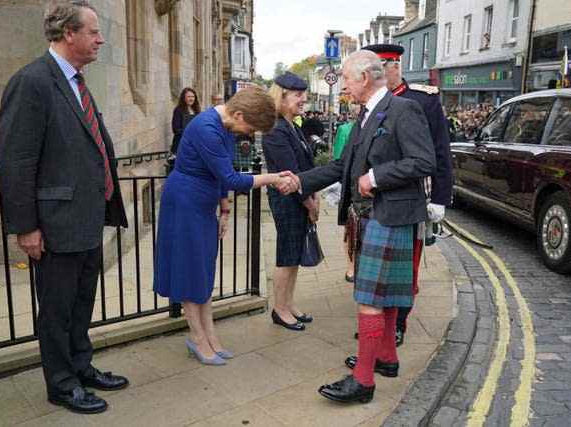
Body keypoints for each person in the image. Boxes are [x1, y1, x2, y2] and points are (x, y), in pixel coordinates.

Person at [280, 50, 435, 404]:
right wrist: (298, 181)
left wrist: (376, 177)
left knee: (369, 299)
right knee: (387, 295)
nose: (345, 88)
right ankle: (386, 358)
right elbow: (341, 166)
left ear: (364, 78)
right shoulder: (366, 115)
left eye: (347, 80)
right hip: (373, 215)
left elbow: (424, 161)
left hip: (389, 214)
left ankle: (363, 381)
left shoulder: (403, 109)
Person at [0, 1, 128, 414]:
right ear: (68, 33)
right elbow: (15, 161)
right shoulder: (32, 82)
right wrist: (26, 227)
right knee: (56, 309)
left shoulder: (77, 81)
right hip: (54, 225)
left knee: (81, 303)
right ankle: (61, 383)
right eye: (92, 31)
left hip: (87, 218)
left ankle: (81, 367)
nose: (100, 38)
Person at [153, 86, 296, 366]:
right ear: (238, 113)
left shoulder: (223, 126)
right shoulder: (206, 127)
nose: (247, 133)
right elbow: (231, 178)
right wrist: (273, 177)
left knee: (203, 270)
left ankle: (210, 335)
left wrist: (225, 209)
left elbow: (217, 175)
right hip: (184, 203)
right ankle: (197, 338)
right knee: (189, 270)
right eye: (249, 127)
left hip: (200, 202)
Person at [362, 44, 453, 347]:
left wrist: (440, 197)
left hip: (410, 196)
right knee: (374, 268)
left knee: (404, 269)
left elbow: (439, 151)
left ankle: (397, 324)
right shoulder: (370, 102)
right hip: (373, 198)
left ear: (394, 66)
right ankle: (378, 325)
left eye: (388, 65)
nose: (386, 71)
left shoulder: (421, 101)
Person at [262, 72, 318, 331]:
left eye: (303, 95)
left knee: (294, 254)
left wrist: (312, 194)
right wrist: (310, 203)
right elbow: (290, 172)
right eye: (298, 95)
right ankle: (279, 309)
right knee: (286, 255)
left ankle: (289, 304)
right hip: (287, 199)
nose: (303, 100)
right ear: (281, 97)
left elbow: (305, 166)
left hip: (299, 197)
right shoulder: (275, 129)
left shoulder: (291, 125)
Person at [332, 103, 359, 282]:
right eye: (355, 104)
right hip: (350, 187)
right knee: (350, 228)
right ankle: (351, 267)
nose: (358, 107)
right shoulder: (345, 129)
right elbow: (338, 159)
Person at [171, 87, 200, 154]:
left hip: (193, 144)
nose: (191, 99)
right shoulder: (178, 110)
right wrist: (191, 132)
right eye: (189, 96)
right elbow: (176, 129)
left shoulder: (196, 110)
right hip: (181, 144)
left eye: (193, 96)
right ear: (183, 98)